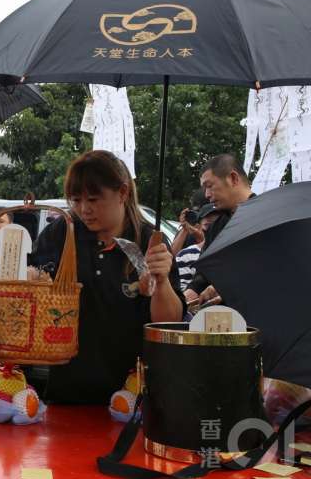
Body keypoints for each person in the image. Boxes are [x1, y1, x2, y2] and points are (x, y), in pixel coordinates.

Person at [32, 150, 184, 404]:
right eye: (76, 200)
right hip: (67, 390)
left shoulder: (150, 242)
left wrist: (161, 282)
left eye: (93, 199)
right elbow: (33, 288)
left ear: (123, 192)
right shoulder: (62, 233)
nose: (84, 209)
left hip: (131, 393)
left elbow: (168, 323)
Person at [184, 154, 255, 306]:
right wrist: (190, 293)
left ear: (233, 178)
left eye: (209, 186)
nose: (207, 195)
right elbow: (206, 271)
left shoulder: (265, 218)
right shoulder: (217, 226)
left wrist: (229, 288)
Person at [175, 204, 222, 292]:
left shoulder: (233, 254)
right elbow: (182, 293)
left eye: (218, 223)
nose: (214, 228)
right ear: (199, 226)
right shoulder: (186, 255)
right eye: (208, 225)